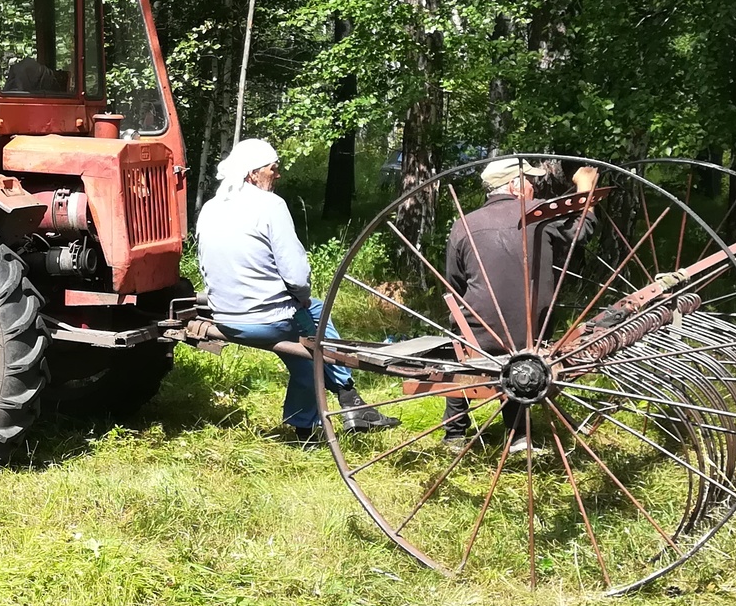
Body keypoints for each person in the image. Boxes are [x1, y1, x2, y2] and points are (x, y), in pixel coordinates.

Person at [197, 138, 399, 444]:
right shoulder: (270, 206)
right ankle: (346, 403)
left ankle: (341, 408)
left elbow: (203, 263)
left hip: (224, 315)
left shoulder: (211, 207)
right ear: (252, 174)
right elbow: (296, 272)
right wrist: (301, 297)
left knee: (307, 345)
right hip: (265, 320)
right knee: (314, 319)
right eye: (272, 169)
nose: (277, 175)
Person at [442, 155, 598, 452]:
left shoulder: (464, 224)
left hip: (479, 335)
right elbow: (582, 231)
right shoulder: (539, 214)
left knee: (460, 344)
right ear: (514, 185)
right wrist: (586, 191)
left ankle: (454, 433)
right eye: (530, 182)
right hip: (532, 334)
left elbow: (454, 282)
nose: (534, 189)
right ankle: (517, 434)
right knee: (520, 334)